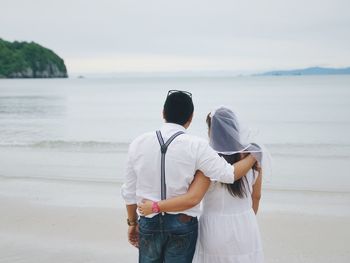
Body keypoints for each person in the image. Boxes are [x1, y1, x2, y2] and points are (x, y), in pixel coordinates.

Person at [121, 91, 258, 263]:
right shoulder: (197, 145)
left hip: (148, 220)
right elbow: (228, 174)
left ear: (163, 112)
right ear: (191, 117)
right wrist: (254, 156)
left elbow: (128, 190)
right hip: (182, 222)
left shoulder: (138, 142)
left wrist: (132, 223)